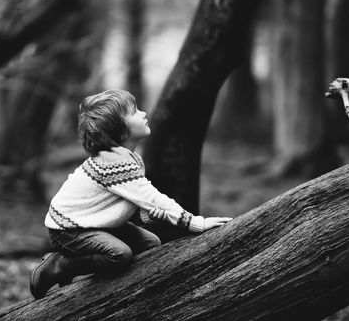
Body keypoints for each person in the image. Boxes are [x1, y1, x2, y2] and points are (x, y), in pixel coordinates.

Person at [30, 89, 232, 299]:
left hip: (92, 222)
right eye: (135, 112)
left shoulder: (129, 158)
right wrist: (196, 223)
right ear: (121, 131)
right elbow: (154, 198)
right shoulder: (113, 163)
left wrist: (147, 216)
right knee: (120, 254)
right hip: (68, 230)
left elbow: (121, 203)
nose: (144, 113)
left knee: (150, 243)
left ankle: (128, 292)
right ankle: (59, 265)